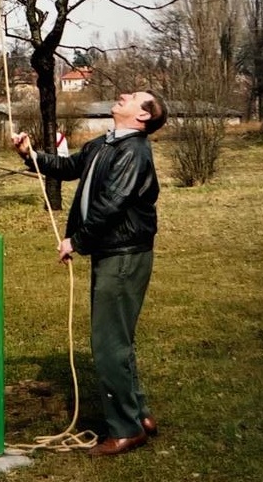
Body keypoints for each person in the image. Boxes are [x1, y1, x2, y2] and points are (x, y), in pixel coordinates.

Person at [13, 89, 168, 458]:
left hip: (124, 256)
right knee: (118, 340)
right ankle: (139, 414)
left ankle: (126, 429)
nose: (124, 95)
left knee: (108, 343)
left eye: (134, 97)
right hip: (112, 253)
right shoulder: (106, 144)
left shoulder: (134, 151)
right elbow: (70, 168)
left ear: (143, 117)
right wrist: (30, 155)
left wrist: (76, 241)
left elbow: (111, 205)